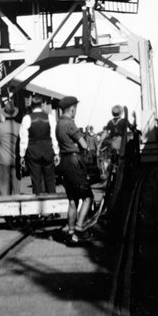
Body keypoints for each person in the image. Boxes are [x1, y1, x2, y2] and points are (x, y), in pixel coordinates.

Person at [56, 96, 93, 245]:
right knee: (88, 197)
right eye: (75, 108)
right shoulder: (70, 124)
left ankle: (71, 233)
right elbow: (84, 145)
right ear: (72, 109)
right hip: (73, 162)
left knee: (72, 201)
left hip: (64, 162)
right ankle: (80, 228)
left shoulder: (59, 124)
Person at [19, 93, 59, 194]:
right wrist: (56, 153)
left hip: (33, 152)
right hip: (48, 151)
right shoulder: (50, 117)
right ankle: (52, 206)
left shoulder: (27, 118)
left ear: (31, 106)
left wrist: (22, 155)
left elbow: (24, 139)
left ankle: (37, 205)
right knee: (50, 180)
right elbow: (54, 136)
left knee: (36, 181)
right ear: (41, 105)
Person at [0, 103, 21, 196]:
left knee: (3, 189)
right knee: (16, 188)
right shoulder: (20, 126)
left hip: (2, 159)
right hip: (16, 159)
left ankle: (5, 207)